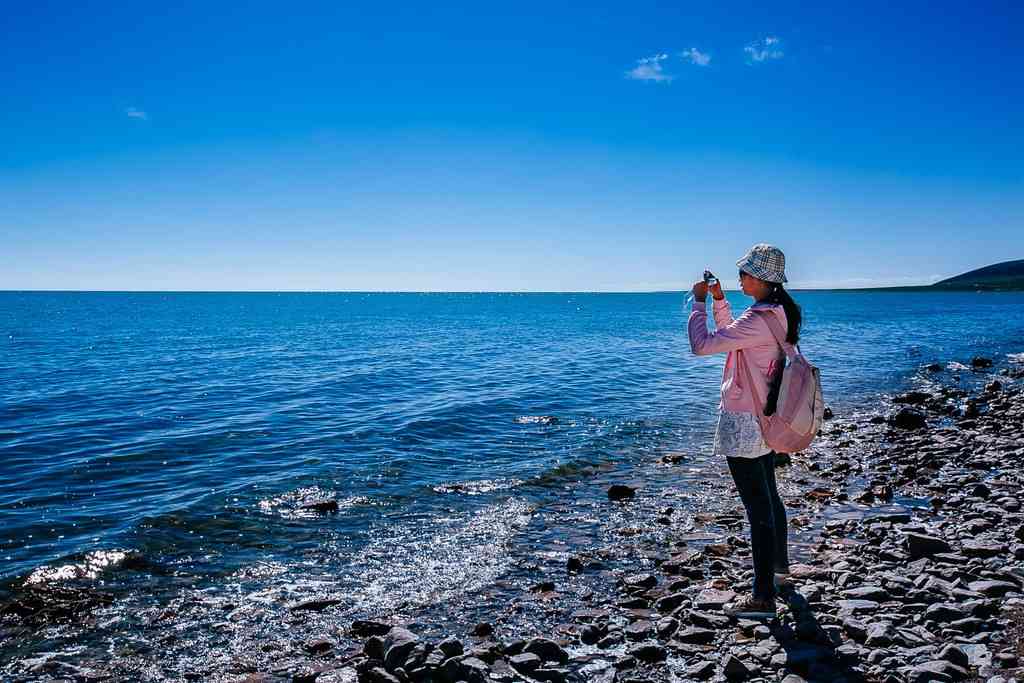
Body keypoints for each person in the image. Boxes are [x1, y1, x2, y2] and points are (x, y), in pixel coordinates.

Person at [687, 243, 802, 619]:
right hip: (767, 416)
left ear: (762, 279)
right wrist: (721, 301)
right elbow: (734, 335)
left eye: (745, 273)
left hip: (744, 420)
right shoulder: (778, 313)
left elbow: (702, 346)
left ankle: (762, 597)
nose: (740, 277)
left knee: (758, 509)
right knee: (770, 497)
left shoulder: (758, 320)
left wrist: (699, 303)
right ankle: (781, 573)